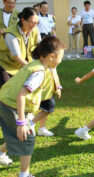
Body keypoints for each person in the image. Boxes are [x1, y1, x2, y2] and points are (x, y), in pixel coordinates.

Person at [0, 36, 64, 177]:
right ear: (52, 56)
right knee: (27, 139)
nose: (61, 60)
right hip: (12, 106)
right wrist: (21, 122)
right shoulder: (39, 72)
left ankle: (2, 153)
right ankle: (24, 174)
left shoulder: (36, 64)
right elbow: (21, 95)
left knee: (18, 136)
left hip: (5, 102)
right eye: (61, 56)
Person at [0, 7, 41, 167]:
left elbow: (38, 47)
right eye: (32, 22)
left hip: (23, 67)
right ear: (23, 20)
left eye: (36, 22)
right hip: (6, 66)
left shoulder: (34, 30)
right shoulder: (10, 33)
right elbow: (17, 56)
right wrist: (34, 68)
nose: (34, 25)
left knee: (17, 104)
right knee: (7, 101)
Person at [29, 68, 62, 137]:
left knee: (46, 108)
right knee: (49, 107)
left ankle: (41, 128)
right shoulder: (39, 65)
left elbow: (55, 74)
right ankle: (30, 124)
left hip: (47, 93)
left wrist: (58, 87)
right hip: (39, 92)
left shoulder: (52, 65)